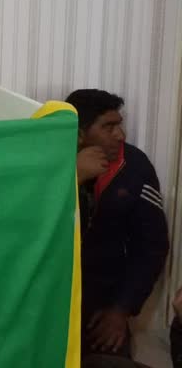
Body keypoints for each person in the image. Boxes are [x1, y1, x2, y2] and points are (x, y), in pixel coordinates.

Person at [66, 89, 169, 365]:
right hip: (53, 297)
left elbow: (152, 246)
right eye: (108, 127)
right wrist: (72, 177)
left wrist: (121, 310)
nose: (120, 135)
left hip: (104, 304)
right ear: (79, 134)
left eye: (119, 125)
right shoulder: (50, 161)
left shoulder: (134, 166)